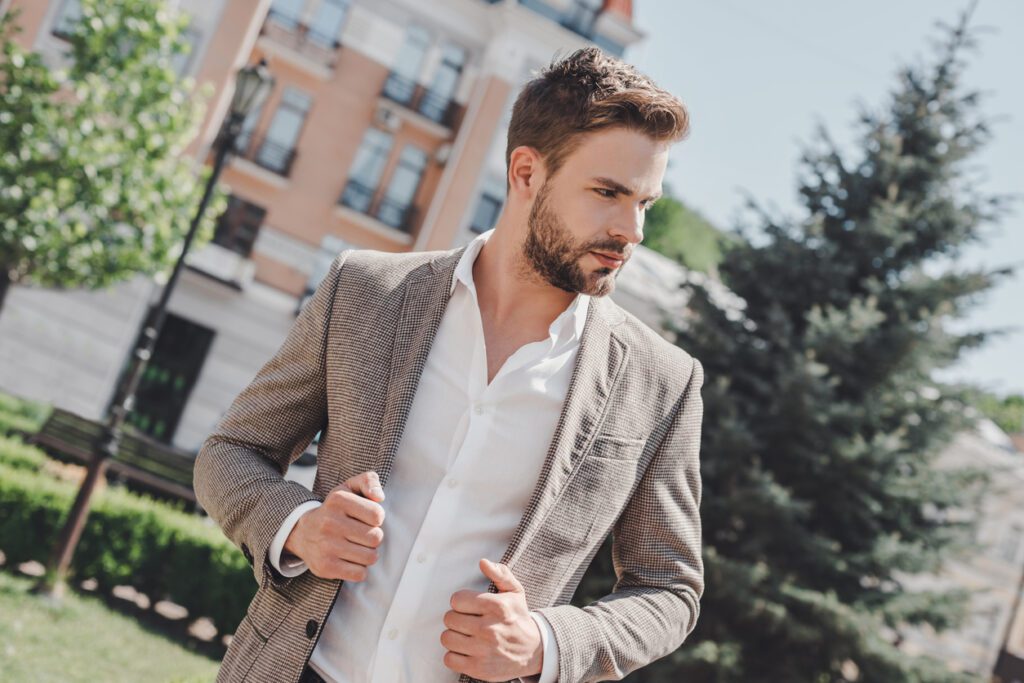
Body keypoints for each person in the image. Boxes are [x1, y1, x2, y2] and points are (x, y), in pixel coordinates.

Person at [194, 46, 704, 683]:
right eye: (608, 193)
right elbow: (231, 450)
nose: (632, 230)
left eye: (646, 204)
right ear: (526, 173)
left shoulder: (662, 384)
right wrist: (298, 528)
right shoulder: (365, 292)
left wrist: (546, 642)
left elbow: (669, 590)